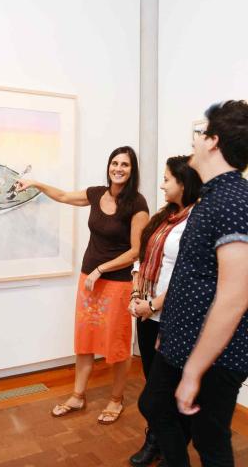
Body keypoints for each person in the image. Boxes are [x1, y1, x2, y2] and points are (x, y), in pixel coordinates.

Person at [139, 100, 248, 467]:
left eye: (200, 134)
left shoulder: (235, 201)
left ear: (214, 141)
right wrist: (168, 332)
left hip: (217, 355)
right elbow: (192, 275)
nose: (195, 141)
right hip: (182, 340)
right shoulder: (211, 196)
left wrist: (194, 370)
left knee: (210, 442)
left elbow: (234, 297)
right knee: (154, 404)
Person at [17, 146, 149, 423]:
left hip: (116, 282)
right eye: (115, 163)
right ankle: (77, 396)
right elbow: (64, 196)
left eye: (125, 164)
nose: (119, 168)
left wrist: (101, 269)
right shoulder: (96, 193)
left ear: (132, 170)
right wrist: (36, 183)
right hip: (89, 280)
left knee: (118, 343)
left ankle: (116, 399)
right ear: (109, 166)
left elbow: (136, 250)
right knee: (85, 339)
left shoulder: (137, 203)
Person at [128, 156, 202, 467]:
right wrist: (136, 295)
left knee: (165, 391)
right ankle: (157, 438)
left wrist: (155, 303)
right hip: (146, 314)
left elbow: (190, 274)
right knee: (152, 383)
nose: (162, 184)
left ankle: (168, 445)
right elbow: (143, 258)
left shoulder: (197, 220)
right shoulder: (164, 217)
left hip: (172, 316)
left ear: (183, 184)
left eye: (167, 179)